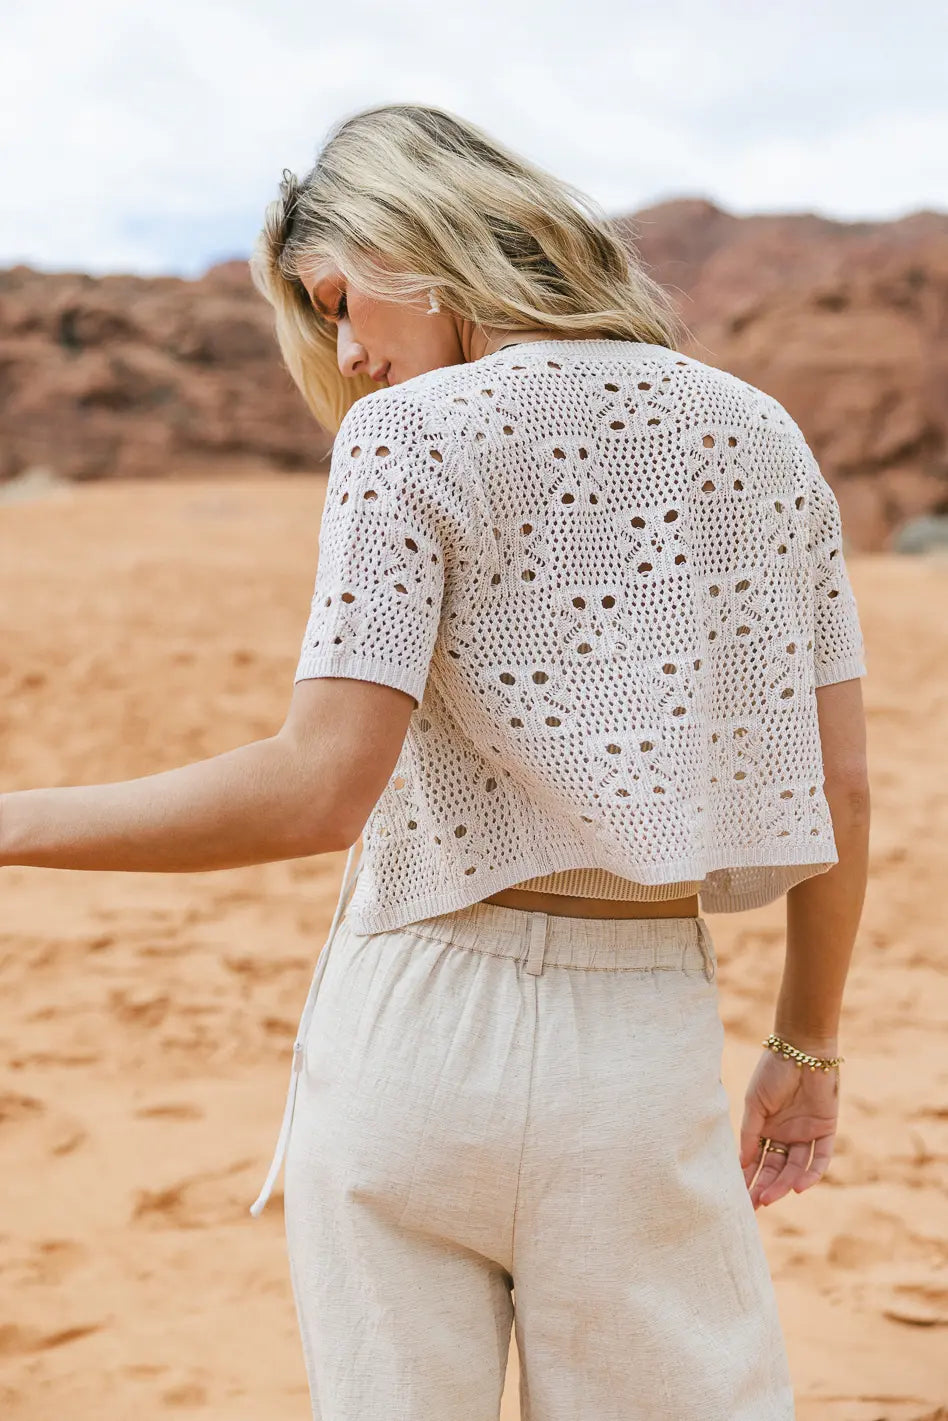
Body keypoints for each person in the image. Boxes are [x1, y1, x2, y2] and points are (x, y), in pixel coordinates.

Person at [2, 102, 870, 1420]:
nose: (349, 355)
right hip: (636, 1051)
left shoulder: (409, 436)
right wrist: (807, 1044)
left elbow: (315, 790)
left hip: (416, 1030)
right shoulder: (762, 436)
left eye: (339, 302)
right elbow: (840, 787)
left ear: (416, 239)